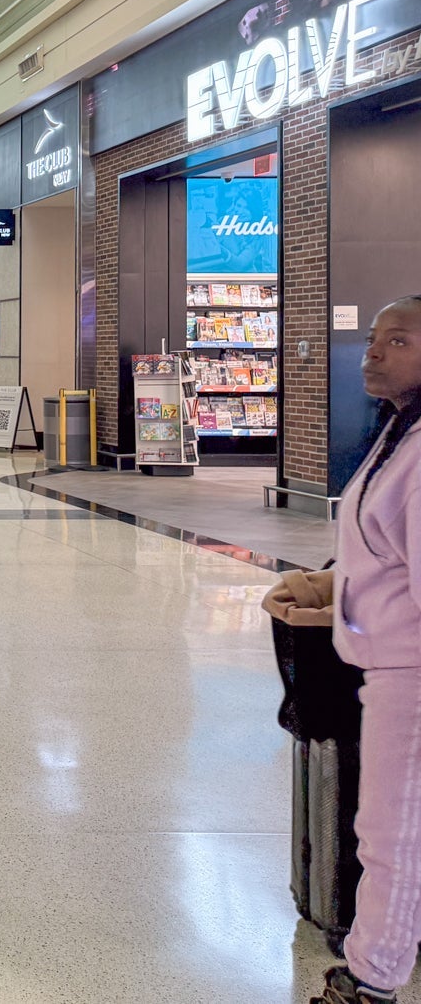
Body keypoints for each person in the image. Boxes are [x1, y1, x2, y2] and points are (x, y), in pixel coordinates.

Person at [311, 296, 421, 1004]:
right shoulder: (398, 432)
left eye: (399, 340)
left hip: (411, 670)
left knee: (391, 829)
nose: (373, 352)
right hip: (384, 660)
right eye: (376, 338)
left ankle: (372, 979)